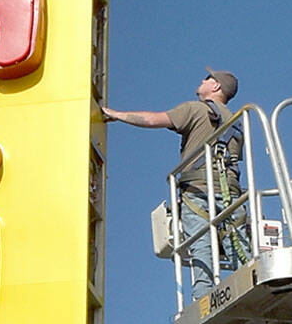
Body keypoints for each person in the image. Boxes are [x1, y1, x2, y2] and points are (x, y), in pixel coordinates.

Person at [103, 70, 241, 298]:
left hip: (198, 190)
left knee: (201, 244)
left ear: (216, 87)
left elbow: (152, 119)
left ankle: (204, 297)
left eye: (207, 78)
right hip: (231, 193)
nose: (202, 80)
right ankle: (247, 286)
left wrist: (116, 114)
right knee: (237, 241)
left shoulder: (196, 109)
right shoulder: (237, 122)